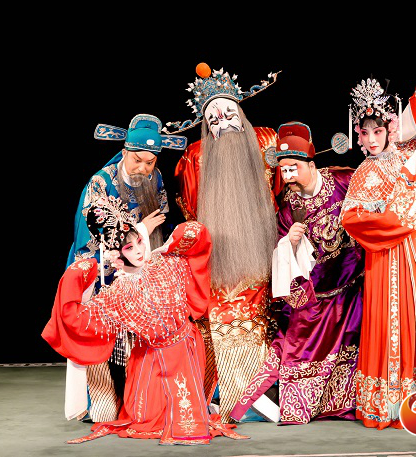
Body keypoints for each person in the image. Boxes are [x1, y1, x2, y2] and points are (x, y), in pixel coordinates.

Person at [42, 195, 247, 445]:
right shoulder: (115, 294)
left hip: (185, 349)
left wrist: (169, 244)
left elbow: (196, 232)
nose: (139, 250)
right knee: (145, 419)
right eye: (129, 248)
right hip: (150, 358)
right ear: (117, 256)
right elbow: (76, 319)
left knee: (185, 416)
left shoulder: (166, 263)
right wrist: (79, 274)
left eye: (139, 242)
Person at [340, 76, 416, 429]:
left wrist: (396, 217)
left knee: (413, 314)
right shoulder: (363, 172)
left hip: (412, 251)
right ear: (358, 134)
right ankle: (384, 401)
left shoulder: (413, 153)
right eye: (365, 133)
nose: (372, 140)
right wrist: (396, 219)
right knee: (385, 318)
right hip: (383, 255)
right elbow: (351, 219)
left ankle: (413, 396)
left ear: (392, 127)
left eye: (378, 131)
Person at [168, 63, 283, 422]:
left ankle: (260, 399)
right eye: (214, 120)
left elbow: (281, 190)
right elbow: (191, 210)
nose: (224, 124)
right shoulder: (194, 156)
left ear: (242, 114)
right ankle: (227, 399)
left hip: (260, 250)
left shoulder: (266, 141)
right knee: (215, 328)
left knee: (265, 324)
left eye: (230, 115)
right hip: (218, 259)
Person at [230, 122, 365, 424]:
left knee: (354, 350)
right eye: (284, 170)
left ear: (311, 164)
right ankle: (262, 403)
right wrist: (289, 244)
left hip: (354, 288)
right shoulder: (289, 208)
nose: (289, 176)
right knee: (295, 348)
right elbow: (281, 257)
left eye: (294, 168)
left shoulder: (344, 180)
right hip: (317, 297)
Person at [65, 113, 187, 423]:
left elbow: (163, 222)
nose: (143, 168)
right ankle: (103, 400)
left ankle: (141, 398)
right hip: (102, 271)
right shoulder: (101, 182)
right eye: (137, 160)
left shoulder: (155, 179)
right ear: (124, 153)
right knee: (102, 339)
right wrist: (141, 230)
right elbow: (96, 233)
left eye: (150, 162)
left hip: (138, 268)